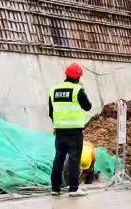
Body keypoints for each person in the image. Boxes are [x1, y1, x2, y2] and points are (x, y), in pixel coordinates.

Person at [49, 63, 93, 197]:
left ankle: (55, 188)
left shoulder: (53, 90)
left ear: (66, 75)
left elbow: (51, 112)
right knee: (74, 159)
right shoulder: (78, 90)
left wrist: (58, 124)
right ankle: (73, 189)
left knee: (58, 159)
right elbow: (87, 107)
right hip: (74, 132)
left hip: (60, 131)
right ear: (78, 77)